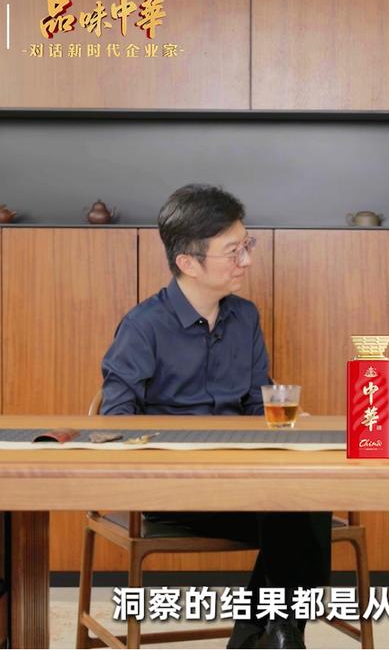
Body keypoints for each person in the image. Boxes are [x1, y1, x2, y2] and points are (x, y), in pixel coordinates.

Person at [100, 184, 329, 649]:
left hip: (245, 484)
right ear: (188, 262)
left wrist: (285, 421)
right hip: (176, 491)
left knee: (307, 499)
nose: (247, 260)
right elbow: (114, 419)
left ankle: (271, 636)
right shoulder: (144, 326)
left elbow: (257, 404)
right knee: (298, 512)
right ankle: (270, 637)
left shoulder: (244, 318)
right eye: (233, 251)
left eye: (247, 245)